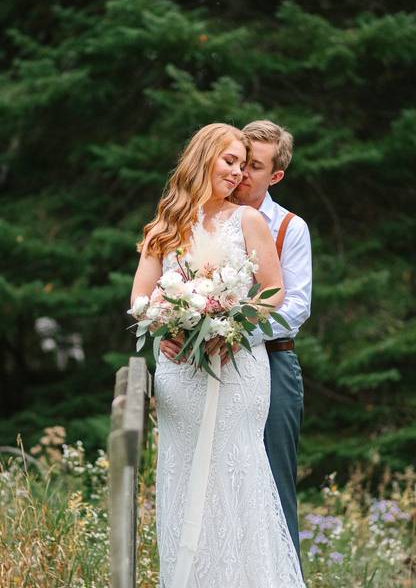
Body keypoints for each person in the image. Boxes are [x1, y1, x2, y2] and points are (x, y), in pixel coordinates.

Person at [131, 123, 305, 587]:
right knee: (185, 477)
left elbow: (273, 292)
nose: (236, 173)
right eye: (229, 161)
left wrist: (233, 326)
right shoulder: (164, 225)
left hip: (238, 370)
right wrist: (165, 326)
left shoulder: (249, 221)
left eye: (244, 165)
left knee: (237, 474)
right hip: (179, 374)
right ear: (202, 157)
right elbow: (140, 300)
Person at [236, 119, 312, 577]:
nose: (243, 173)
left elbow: (297, 306)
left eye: (255, 166)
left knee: (274, 480)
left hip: (273, 358)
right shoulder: (208, 217)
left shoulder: (289, 228)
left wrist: (233, 333)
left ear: (275, 176)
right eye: (240, 161)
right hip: (212, 368)